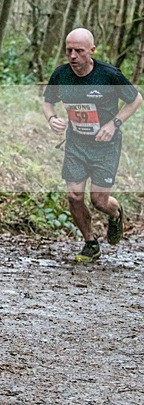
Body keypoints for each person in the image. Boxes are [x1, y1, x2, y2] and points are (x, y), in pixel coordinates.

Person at [43, 27, 142, 263]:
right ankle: (90, 242)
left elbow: (135, 99)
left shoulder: (109, 75)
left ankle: (115, 213)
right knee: (74, 195)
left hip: (105, 146)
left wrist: (113, 123)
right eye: (69, 51)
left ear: (92, 51)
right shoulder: (61, 75)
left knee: (99, 201)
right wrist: (52, 118)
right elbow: (47, 102)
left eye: (78, 50)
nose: (73, 56)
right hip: (76, 143)